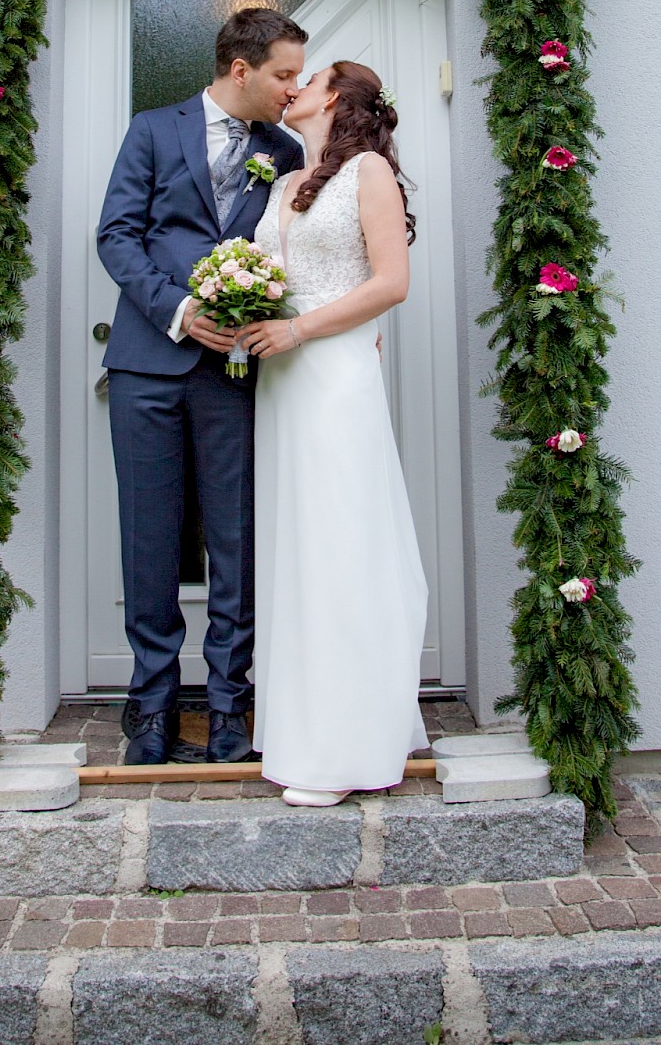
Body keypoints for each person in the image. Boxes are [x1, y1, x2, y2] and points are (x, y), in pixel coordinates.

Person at [97, 8, 306, 764]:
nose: (294, 88)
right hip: (148, 365)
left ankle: (227, 707)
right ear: (240, 68)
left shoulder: (285, 151)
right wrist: (182, 311)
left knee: (236, 540)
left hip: (237, 374)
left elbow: (297, 250)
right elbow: (116, 235)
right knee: (150, 539)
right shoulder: (153, 130)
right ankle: (150, 707)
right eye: (284, 74)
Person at [239, 60, 428, 805]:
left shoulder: (369, 172)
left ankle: (345, 749)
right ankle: (307, 728)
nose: (292, 88)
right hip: (284, 382)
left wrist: (301, 329)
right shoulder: (287, 183)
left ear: (339, 98)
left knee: (340, 545)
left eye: (308, 79)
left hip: (333, 374)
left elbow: (390, 282)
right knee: (298, 551)